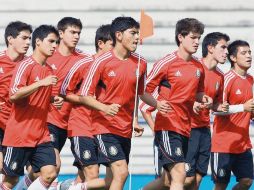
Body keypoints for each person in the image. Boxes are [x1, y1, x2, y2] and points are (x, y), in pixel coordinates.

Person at [140, 18, 213, 190]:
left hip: (185, 127)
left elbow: (198, 93)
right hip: (167, 126)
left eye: (199, 38)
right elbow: (142, 91)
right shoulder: (166, 63)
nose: (197, 42)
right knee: (180, 174)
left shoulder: (198, 66)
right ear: (181, 37)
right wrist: (157, 104)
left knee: (167, 181)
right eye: (193, 37)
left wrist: (205, 99)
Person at [15, 17, 87, 190]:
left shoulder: (84, 59)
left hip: (67, 121)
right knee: (53, 167)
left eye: (78, 33)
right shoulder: (47, 55)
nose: (76, 36)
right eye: (72, 32)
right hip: (45, 119)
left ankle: (22, 187)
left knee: (38, 171)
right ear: (61, 33)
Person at [78, 16, 146, 189]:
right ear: (119, 35)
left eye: (138, 33)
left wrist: (136, 119)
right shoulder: (100, 61)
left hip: (125, 128)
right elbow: (84, 95)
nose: (138, 37)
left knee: (112, 179)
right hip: (104, 126)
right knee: (122, 172)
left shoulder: (141, 62)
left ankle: (77, 188)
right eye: (133, 33)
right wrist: (105, 108)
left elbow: (139, 93)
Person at [0, 25, 62, 190]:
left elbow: (37, 97)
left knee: (50, 172)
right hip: (19, 134)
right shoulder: (25, 65)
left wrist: (52, 99)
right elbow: (14, 95)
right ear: (39, 42)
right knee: (10, 181)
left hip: (41, 134)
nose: (55, 46)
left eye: (56, 42)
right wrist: (41, 83)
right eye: (51, 41)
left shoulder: (49, 69)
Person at [58, 24, 113, 190]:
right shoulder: (84, 63)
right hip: (82, 126)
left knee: (89, 178)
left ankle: (67, 187)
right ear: (100, 43)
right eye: (113, 44)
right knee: (92, 174)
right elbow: (63, 92)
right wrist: (86, 99)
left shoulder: (114, 67)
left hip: (103, 128)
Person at [184, 32, 230, 190]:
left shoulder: (220, 76)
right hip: (187, 128)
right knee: (185, 179)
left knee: (197, 178)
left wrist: (220, 107)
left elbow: (215, 104)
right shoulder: (193, 66)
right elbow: (179, 94)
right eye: (223, 47)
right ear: (210, 48)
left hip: (204, 129)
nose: (227, 52)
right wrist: (192, 103)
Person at [211, 40, 254, 190]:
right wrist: (243, 107)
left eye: (250, 52)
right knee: (221, 185)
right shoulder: (226, 79)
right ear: (233, 58)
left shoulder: (250, 80)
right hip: (223, 145)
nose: (249, 56)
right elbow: (215, 109)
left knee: (247, 181)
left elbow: (251, 110)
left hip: (243, 144)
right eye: (244, 53)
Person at [0, 21, 32, 182]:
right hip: (1, 124)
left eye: (29, 39)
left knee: (39, 171)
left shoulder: (30, 64)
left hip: (21, 125)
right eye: (24, 38)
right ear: (10, 39)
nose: (28, 43)